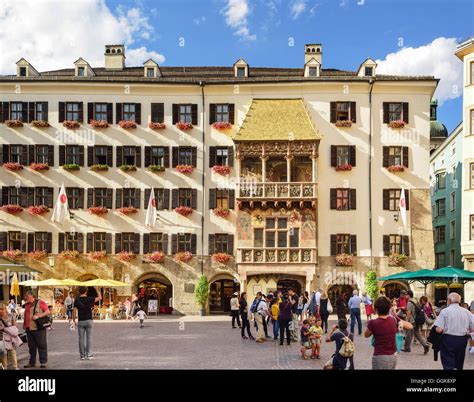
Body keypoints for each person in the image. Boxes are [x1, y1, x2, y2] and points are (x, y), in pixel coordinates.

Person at [365, 296, 413, 369]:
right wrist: (398, 323)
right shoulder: (394, 320)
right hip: (393, 356)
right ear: (389, 308)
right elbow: (410, 326)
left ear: (376, 309)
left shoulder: (373, 323)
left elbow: (366, 335)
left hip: (379, 357)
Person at [434, 292, 473, 370]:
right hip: (462, 340)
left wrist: (434, 329)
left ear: (449, 300)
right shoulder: (467, 312)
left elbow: (439, 329)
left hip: (448, 339)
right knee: (459, 363)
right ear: (459, 301)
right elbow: (472, 329)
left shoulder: (445, 311)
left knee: (448, 362)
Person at [23, 291, 50, 368]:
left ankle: (43, 362)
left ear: (32, 296)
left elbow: (48, 311)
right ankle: (32, 362)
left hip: (38, 328)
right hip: (29, 328)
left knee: (41, 345)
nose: (26, 298)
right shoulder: (27, 304)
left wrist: (39, 316)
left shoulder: (40, 302)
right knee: (31, 346)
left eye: (27, 297)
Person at [74, 286, 101, 360]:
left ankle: (82, 355)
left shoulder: (77, 300)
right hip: (89, 320)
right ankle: (89, 354)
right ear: (86, 291)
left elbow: (74, 310)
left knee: (81, 338)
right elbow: (100, 298)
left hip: (81, 320)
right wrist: (97, 290)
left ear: (80, 292)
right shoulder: (89, 299)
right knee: (89, 338)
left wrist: (73, 320)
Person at [402, 290, 430, 354]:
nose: (405, 296)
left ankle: (407, 348)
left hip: (412, 321)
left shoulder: (409, 302)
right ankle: (425, 345)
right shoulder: (416, 300)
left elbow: (408, 312)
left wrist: (407, 321)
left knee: (409, 334)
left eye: (406, 295)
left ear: (408, 295)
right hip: (417, 320)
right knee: (417, 334)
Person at [0, 303, 22, 370]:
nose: (1, 311)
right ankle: (5, 367)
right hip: (1, 337)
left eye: (2, 309)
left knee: (12, 352)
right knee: (3, 353)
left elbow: (15, 325)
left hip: (10, 337)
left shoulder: (11, 316)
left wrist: (8, 329)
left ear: (5, 309)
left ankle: (15, 367)